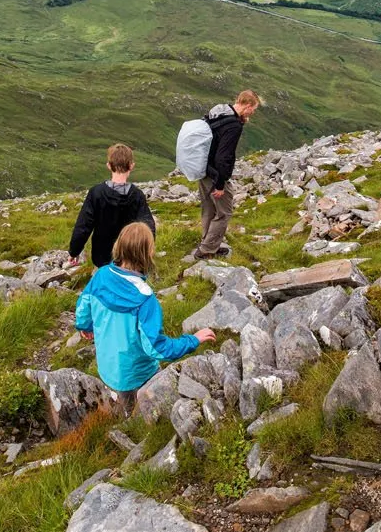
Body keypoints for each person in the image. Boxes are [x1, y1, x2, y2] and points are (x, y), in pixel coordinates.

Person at [75, 222, 214, 413]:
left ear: (119, 246)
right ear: (147, 254)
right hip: (139, 375)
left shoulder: (101, 275)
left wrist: (85, 326)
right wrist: (193, 340)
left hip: (108, 367)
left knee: (122, 407)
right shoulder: (144, 298)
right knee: (144, 414)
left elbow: (83, 307)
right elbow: (156, 348)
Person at [193, 90, 260, 260]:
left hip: (203, 168)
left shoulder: (220, 112)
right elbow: (224, 157)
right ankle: (207, 249)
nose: (253, 113)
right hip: (215, 174)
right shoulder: (233, 126)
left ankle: (208, 243)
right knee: (224, 212)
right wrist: (220, 183)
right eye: (254, 109)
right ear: (247, 105)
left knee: (208, 208)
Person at [68, 143, 156, 268]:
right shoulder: (137, 195)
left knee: (104, 285)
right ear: (131, 166)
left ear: (109, 165)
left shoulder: (96, 193)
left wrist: (74, 251)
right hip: (130, 260)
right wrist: (146, 254)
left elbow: (83, 226)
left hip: (101, 259)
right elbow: (148, 226)